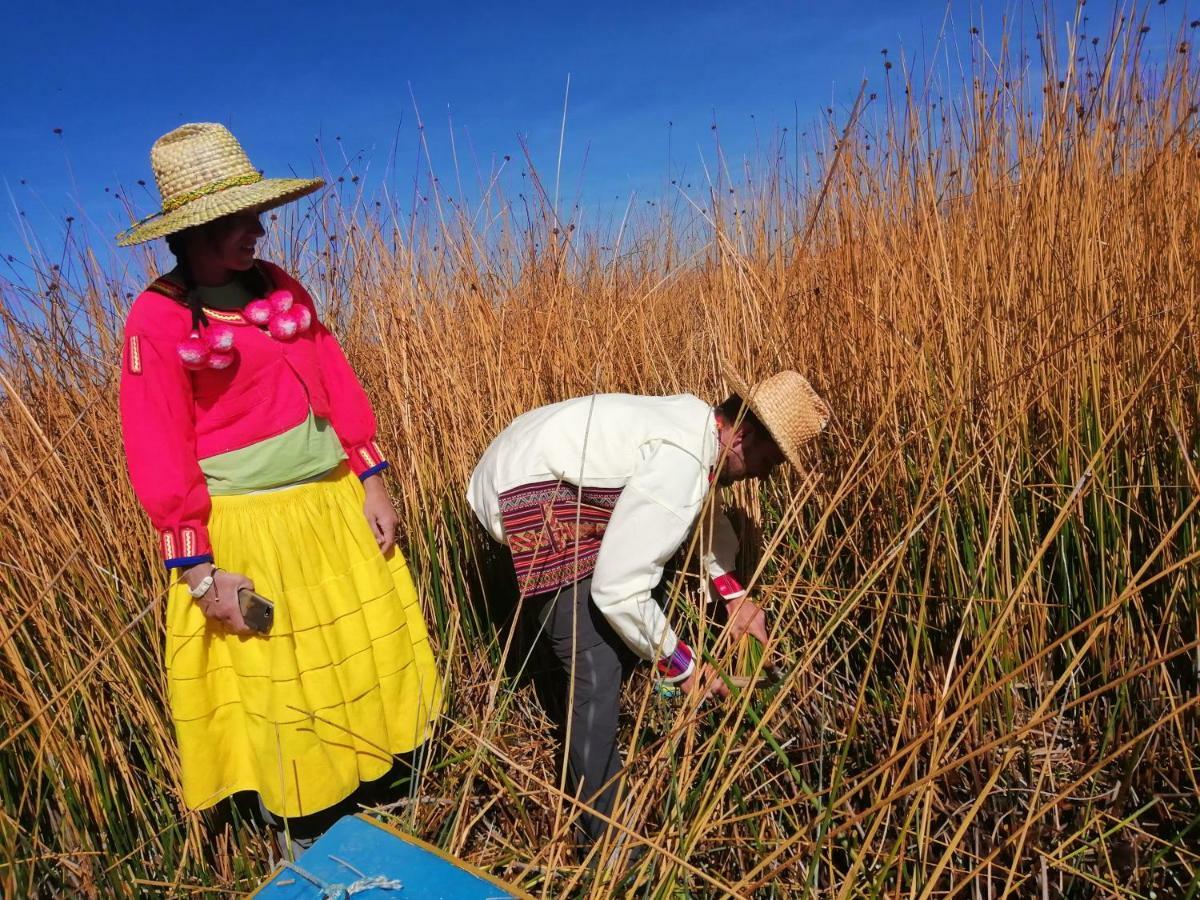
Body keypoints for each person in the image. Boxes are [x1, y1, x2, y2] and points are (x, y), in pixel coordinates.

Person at [116, 123, 442, 854]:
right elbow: (157, 441)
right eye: (240, 221)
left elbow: (333, 373)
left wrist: (371, 476)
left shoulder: (279, 289)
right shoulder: (158, 319)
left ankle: (387, 795)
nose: (259, 231)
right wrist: (199, 574)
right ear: (195, 229)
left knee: (360, 649)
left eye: (257, 215)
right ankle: (309, 830)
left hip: (331, 502)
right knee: (284, 678)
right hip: (252, 524)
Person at [466, 372, 829, 850]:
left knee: (629, 616)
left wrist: (734, 597)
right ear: (742, 436)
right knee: (595, 663)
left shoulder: (695, 426)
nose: (768, 473)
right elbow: (618, 590)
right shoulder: (681, 460)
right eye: (771, 458)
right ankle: (611, 845)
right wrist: (687, 670)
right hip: (531, 489)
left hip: (533, 464)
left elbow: (699, 514)